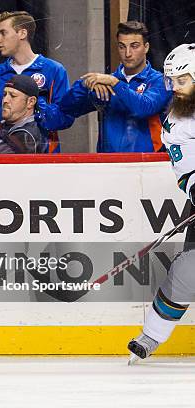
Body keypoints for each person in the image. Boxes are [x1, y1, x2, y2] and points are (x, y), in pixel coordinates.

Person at [127, 44, 195, 363]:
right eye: (172, 82)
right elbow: (187, 172)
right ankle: (152, 335)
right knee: (188, 271)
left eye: (182, 81)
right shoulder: (178, 125)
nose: (175, 89)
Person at [59, 21, 172, 153]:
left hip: (146, 164)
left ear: (146, 47)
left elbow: (145, 108)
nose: (128, 53)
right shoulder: (105, 83)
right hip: (109, 164)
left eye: (134, 46)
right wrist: (84, 85)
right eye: (122, 46)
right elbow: (67, 108)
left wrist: (115, 83)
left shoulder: (159, 81)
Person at [0, 11, 74, 153]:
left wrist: (36, 107)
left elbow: (66, 118)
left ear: (22, 33)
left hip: (43, 158)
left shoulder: (53, 70)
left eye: (3, 33)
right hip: (2, 156)